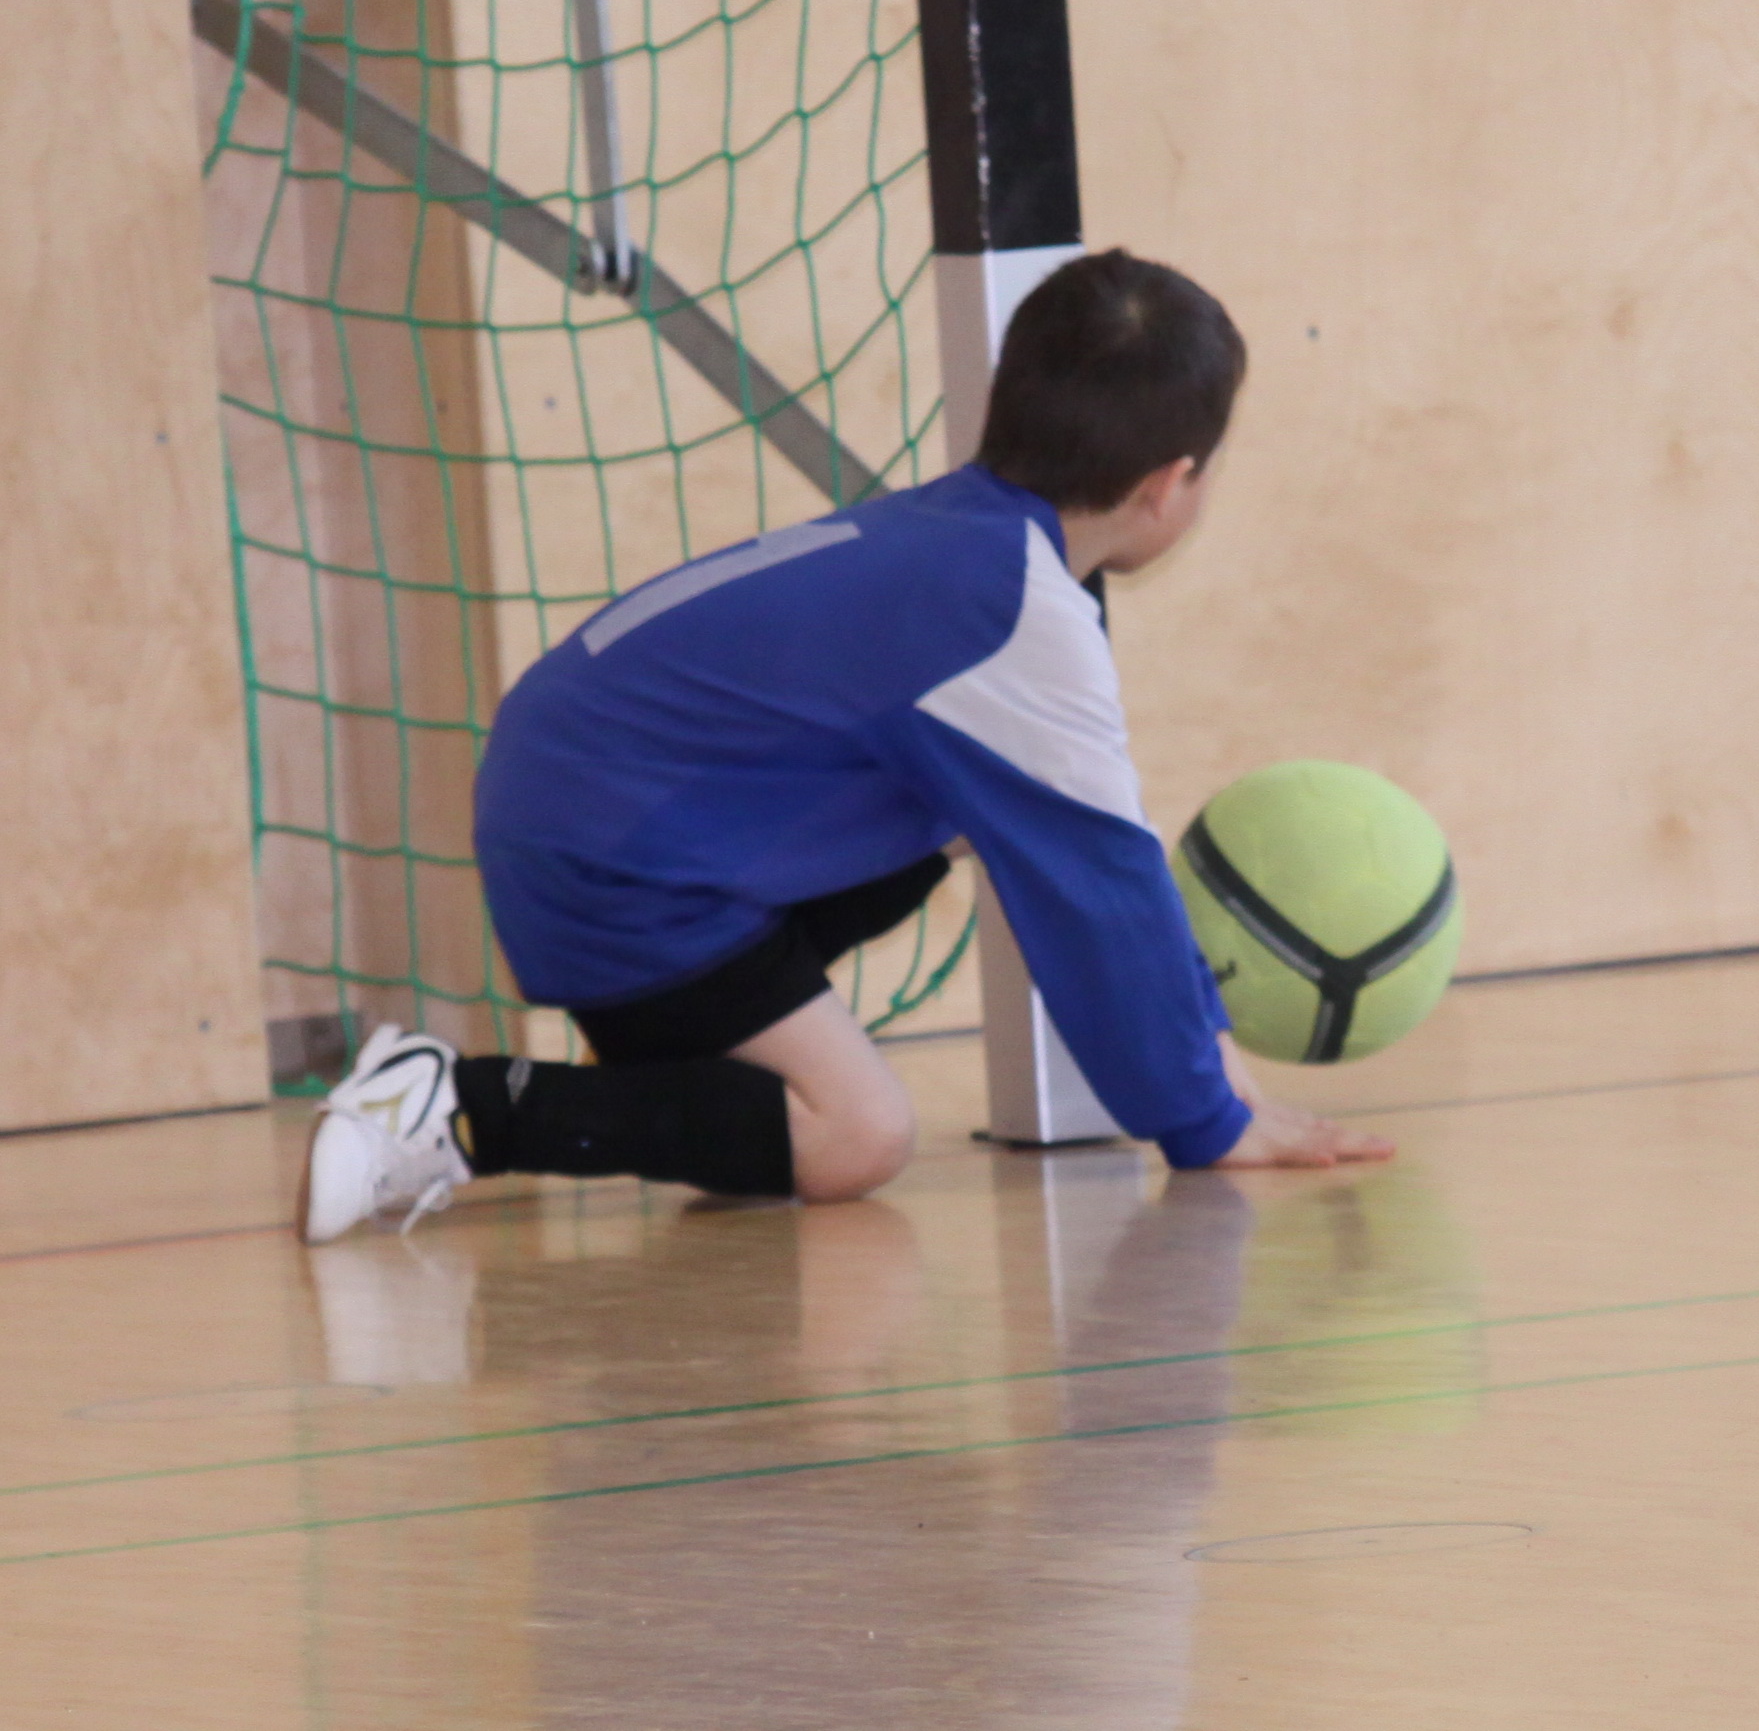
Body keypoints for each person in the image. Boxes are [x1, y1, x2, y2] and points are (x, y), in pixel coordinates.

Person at [299, 251, 1390, 1242]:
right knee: (857, 1134)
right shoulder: (1008, 610)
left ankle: (678, 1066)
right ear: (1168, 482)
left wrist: (1221, 1080)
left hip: (575, 798)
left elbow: (1107, 857)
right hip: (611, 858)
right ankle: (448, 1107)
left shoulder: (963, 541)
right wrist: (1207, 1122)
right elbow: (1102, 895)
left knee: (974, 811)